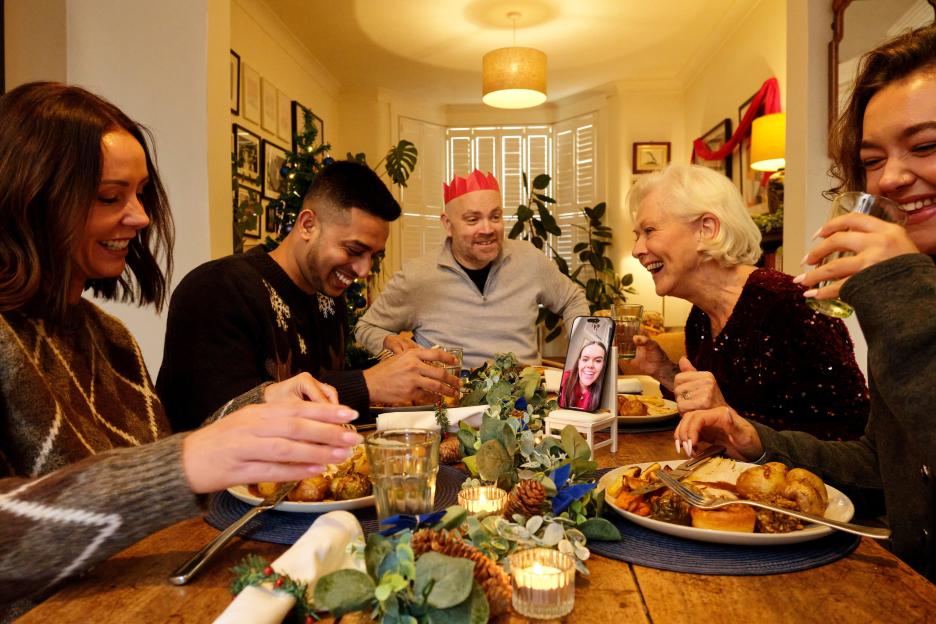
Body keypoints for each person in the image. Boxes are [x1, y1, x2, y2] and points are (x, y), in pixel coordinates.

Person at [0, 82, 362, 614]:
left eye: (141, 193)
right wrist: (187, 461)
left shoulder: (109, 338)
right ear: (31, 199)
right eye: (108, 196)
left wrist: (260, 406)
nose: (141, 216)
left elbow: (153, 468)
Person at [675, 24, 936, 581]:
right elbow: (880, 468)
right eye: (871, 158)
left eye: (926, 145)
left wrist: (900, 287)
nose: (890, 177)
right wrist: (757, 441)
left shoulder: (902, 294)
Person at [157, 161, 458, 431]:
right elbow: (224, 421)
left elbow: (320, 397)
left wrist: (393, 375)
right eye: (354, 251)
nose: (364, 270)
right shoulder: (218, 289)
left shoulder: (328, 298)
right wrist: (369, 384)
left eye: (373, 256)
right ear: (307, 225)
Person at [628, 164, 869, 441]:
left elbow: (851, 442)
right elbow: (713, 407)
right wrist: (665, 371)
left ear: (706, 229)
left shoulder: (790, 306)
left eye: (649, 230)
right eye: (637, 236)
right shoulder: (700, 317)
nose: (637, 250)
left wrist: (729, 419)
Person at [354, 170, 590, 368]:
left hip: (525, 408)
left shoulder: (529, 259)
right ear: (448, 224)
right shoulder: (417, 276)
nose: (487, 229)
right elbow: (366, 327)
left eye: (495, 217)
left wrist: (585, 347)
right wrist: (389, 342)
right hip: (447, 411)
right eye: (473, 219)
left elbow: (572, 299)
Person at [559, 341, 607, 411]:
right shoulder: (565, 378)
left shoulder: (605, 390)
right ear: (578, 363)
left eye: (598, 361)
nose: (590, 365)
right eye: (585, 359)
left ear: (604, 366)